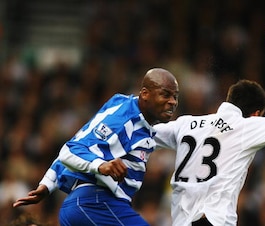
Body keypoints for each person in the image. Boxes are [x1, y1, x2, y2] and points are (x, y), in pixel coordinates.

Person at [13, 68, 179, 226]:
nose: (172, 102)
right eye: (165, 95)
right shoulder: (123, 121)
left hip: (85, 208)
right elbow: (70, 150)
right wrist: (101, 165)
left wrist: (49, 183)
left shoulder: (126, 109)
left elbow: (81, 140)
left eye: (175, 96)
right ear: (145, 93)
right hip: (95, 205)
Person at [153, 79, 265, 226]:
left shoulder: (186, 124)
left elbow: (142, 134)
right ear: (256, 114)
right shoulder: (246, 126)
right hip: (215, 220)